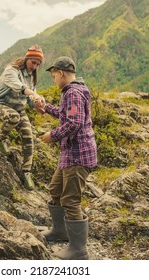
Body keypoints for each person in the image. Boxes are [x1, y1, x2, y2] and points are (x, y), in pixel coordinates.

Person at [36, 56, 97, 260]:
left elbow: (74, 123)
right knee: (55, 190)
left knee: (70, 200)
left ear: (61, 73)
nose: (54, 80)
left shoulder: (73, 93)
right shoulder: (72, 92)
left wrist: (51, 136)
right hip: (69, 155)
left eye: (54, 76)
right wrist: (45, 108)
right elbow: (65, 115)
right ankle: (60, 232)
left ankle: (78, 250)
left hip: (77, 156)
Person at [0, 45, 46, 190]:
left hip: (19, 109)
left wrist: (38, 105)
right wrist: (33, 94)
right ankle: (0, 139)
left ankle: (26, 172)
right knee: (14, 117)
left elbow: (30, 100)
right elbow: (17, 85)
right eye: (33, 62)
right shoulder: (11, 70)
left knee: (29, 137)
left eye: (38, 64)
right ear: (27, 58)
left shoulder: (32, 78)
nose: (35, 66)